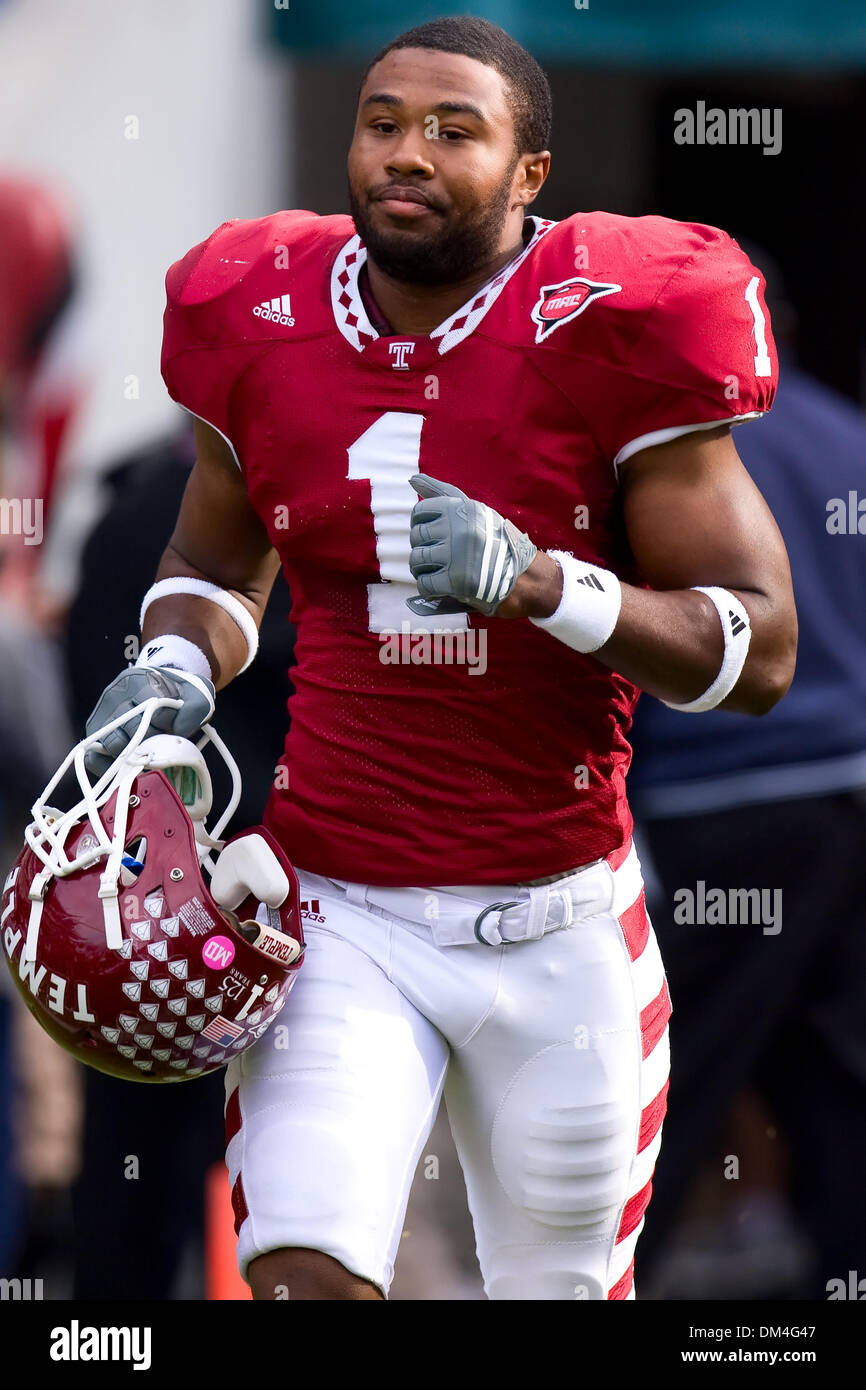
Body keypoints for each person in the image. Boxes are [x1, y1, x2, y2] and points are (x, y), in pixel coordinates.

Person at [79, 16, 797, 1301]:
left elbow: (754, 650)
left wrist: (547, 585)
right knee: (302, 1259)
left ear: (530, 174)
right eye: (381, 121)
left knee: (559, 1287)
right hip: (336, 904)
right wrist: (177, 669)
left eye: (452, 131)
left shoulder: (615, 321)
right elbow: (213, 564)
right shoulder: (257, 312)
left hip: (558, 918)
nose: (404, 154)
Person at [627, 268, 866, 1300]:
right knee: (836, 1063)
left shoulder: (658, 450)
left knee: (671, 1069)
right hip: (847, 792)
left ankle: (604, 1276)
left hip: (716, 797)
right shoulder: (844, 437)